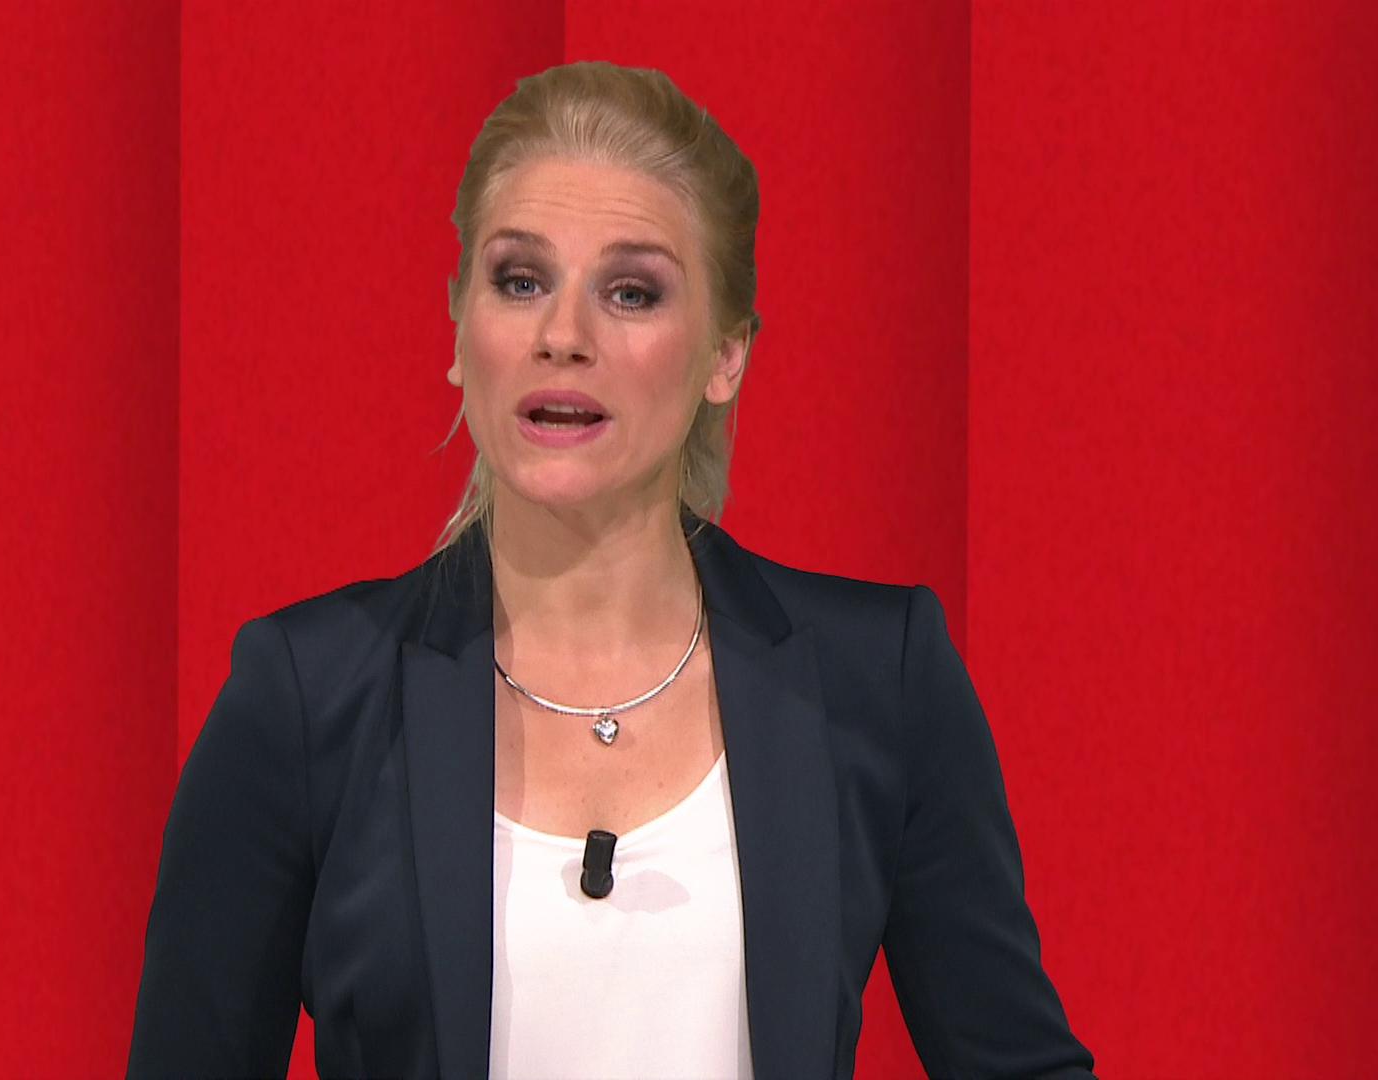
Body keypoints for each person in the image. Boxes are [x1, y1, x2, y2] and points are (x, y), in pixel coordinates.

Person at [127, 60, 1093, 1080]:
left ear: (726, 355)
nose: (563, 337)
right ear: (459, 328)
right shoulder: (306, 697)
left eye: (631, 292)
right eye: (520, 281)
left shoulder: (879, 680)